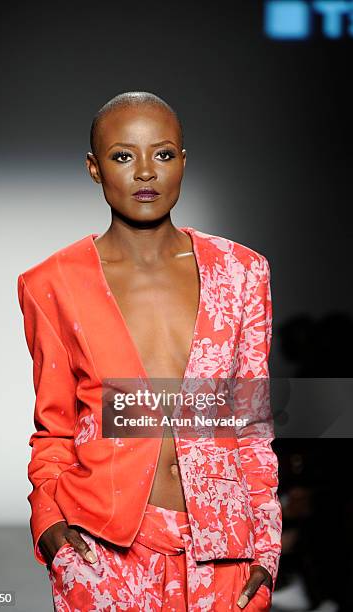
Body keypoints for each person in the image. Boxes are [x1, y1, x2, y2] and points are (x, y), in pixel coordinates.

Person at [17, 91, 282, 611]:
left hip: (222, 546)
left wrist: (266, 547)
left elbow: (252, 421)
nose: (145, 172)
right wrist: (48, 521)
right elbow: (55, 426)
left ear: (183, 162)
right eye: (122, 156)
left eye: (162, 154)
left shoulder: (243, 271)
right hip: (100, 550)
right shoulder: (52, 283)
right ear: (94, 168)